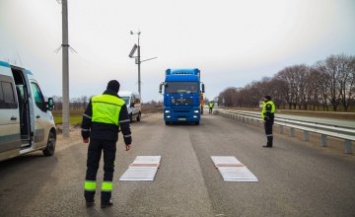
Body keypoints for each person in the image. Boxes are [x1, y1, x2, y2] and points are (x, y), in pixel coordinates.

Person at [81, 80, 132, 208]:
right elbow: (125, 124)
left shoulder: (95, 100)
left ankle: (89, 199)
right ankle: (105, 200)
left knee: (91, 167)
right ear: (117, 90)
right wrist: (128, 141)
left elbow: (86, 119)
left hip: (95, 139)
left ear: (107, 87)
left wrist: (85, 135)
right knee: (108, 169)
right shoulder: (120, 103)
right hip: (110, 140)